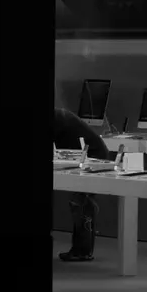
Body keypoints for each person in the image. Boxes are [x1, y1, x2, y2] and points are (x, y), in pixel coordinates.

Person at [53, 106, 109, 262]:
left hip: (93, 156)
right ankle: (81, 249)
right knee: (81, 202)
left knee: (80, 202)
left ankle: (82, 251)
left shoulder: (57, 117)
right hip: (83, 155)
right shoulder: (59, 115)